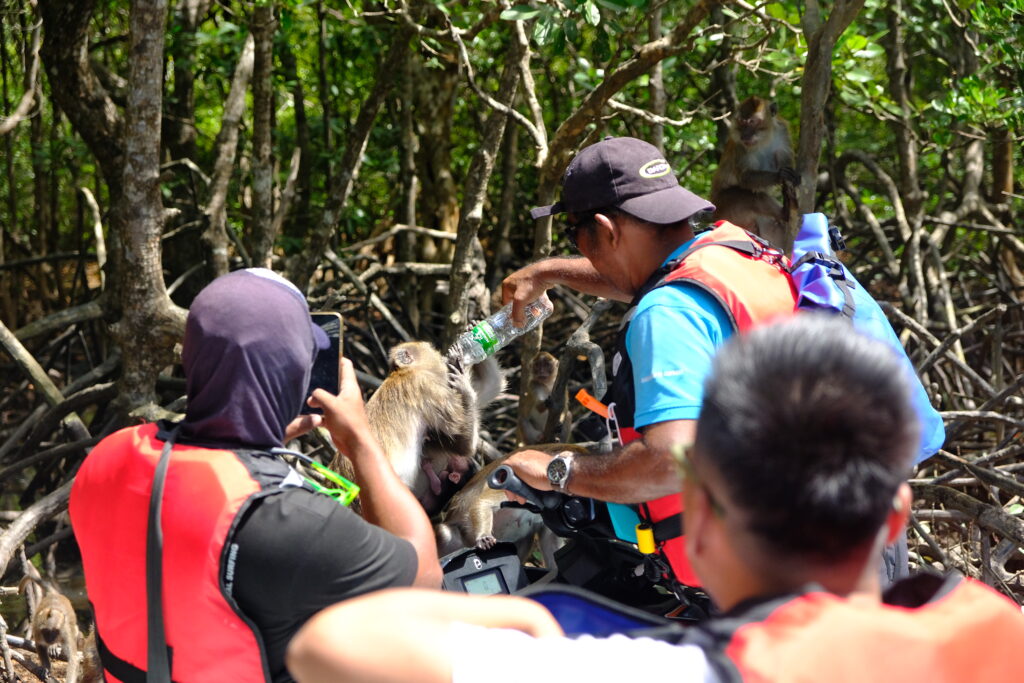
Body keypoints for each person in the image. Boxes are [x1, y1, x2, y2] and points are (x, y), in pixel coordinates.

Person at [286, 315, 1024, 683]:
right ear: (895, 516)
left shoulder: (678, 668)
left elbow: (330, 644)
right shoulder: (998, 636)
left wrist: (527, 618)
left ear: (697, 517)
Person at [69, 268, 441, 683]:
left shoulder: (107, 458)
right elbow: (424, 578)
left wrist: (255, 437)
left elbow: (187, 506)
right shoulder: (290, 520)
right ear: (294, 377)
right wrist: (360, 440)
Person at [500, 136, 798, 586]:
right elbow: (644, 276)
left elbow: (671, 462)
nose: (581, 250)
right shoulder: (734, 253)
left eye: (577, 235)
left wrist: (559, 470)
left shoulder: (666, 315)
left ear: (605, 228)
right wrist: (549, 271)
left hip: (766, 583)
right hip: (831, 539)